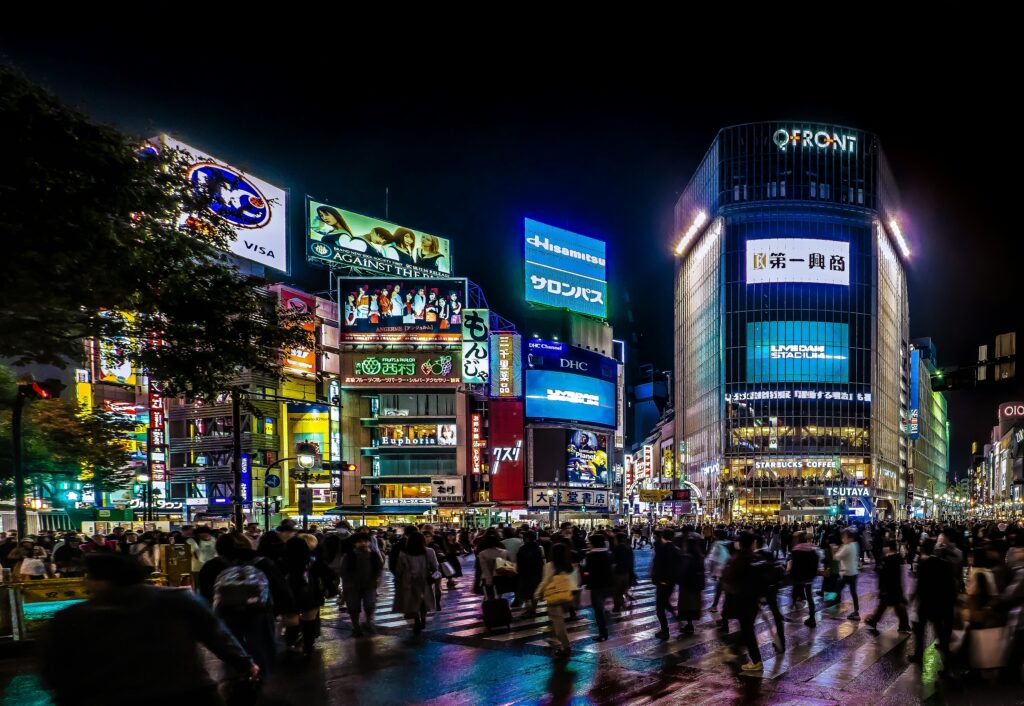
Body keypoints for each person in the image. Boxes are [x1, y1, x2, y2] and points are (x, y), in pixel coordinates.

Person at [39, 553, 257, 706]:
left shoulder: (73, 616)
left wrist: (66, 697)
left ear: (100, 581)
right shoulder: (178, 599)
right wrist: (244, 663)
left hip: (111, 697)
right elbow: (215, 635)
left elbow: (56, 665)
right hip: (187, 693)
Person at [198, 532, 291, 676]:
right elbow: (280, 588)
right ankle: (261, 678)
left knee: (233, 647)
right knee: (262, 647)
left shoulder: (212, 565)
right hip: (259, 611)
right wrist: (283, 611)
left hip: (226, 612)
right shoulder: (262, 562)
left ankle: (237, 675)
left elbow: (205, 592)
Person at [281, 535, 335, 657]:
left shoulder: (283, 561)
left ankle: (291, 643)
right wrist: (329, 589)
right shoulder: (315, 560)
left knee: (291, 620)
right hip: (312, 593)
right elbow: (328, 575)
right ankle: (308, 646)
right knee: (309, 619)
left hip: (289, 594)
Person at [909, 538, 958, 664]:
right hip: (940, 602)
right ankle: (947, 661)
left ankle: (919, 655)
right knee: (940, 632)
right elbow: (950, 584)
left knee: (920, 631)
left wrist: (913, 598)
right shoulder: (945, 564)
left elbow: (919, 585)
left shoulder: (923, 564)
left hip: (925, 602)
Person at [722, 531, 765, 672]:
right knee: (747, 628)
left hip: (741, 600)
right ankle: (734, 650)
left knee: (748, 630)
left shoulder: (738, 558)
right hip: (753, 599)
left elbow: (727, 578)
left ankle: (756, 660)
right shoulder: (756, 557)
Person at [535, 542, 578, 658]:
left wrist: (538, 593)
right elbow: (575, 581)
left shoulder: (549, 566)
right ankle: (554, 636)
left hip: (555, 596)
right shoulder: (569, 565)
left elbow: (545, 581)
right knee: (557, 619)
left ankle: (565, 646)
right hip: (568, 596)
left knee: (558, 622)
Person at [340, 532, 384, 637]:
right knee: (353, 607)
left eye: (365, 541)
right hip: (352, 586)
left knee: (370, 604)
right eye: (360, 542)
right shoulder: (349, 555)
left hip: (370, 585)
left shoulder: (373, 555)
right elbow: (343, 571)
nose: (363, 543)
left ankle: (368, 622)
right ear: (354, 543)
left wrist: (376, 580)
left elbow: (379, 569)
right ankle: (356, 627)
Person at [395, 530, 439, 633]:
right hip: (424, 581)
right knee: (423, 603)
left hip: (408, 582)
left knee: (413, 602)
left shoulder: (403, 553)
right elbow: (435, 567)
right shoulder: (429, 551)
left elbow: (399, 570)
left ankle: (416, 620)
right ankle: (423, 619)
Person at [865, 541, 911, 634]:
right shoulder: (899, 558)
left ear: (888, 548)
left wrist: (881, 588)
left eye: (885, 547)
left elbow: (884, 576)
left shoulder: (887, 560)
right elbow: (903, 574)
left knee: (888, 605)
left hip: (889, 588)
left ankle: (904, 625)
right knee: (892, 605)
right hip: (896, 587)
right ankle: (904, 625)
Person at [581, 533, 614, 642]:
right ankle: (605, 631)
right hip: (608, 584)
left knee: (598, 611)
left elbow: (587, 571)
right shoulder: (608, 554)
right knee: (604, 608)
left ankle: (603, 633)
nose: (588, 544)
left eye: (590, 542)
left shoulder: (591, 556)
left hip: (596, 586)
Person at [651, 529, 681, 640]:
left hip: (663, 581)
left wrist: (657, 579)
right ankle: (675, 616)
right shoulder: (676, 548)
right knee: (664, 602)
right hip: (671, 581)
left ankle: (665, 631)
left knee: (660, 608)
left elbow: (658, 565)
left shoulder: (663, 549)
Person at [787, 530, 821, 628]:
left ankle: (793, 605)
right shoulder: (811, 549)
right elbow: (816, 561)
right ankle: (812, 618)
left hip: (799, 577)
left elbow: (795, 565)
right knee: (810, 598)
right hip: (809, 577)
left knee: (795, 589)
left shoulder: (796, 550)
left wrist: (792, 575)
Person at [677, 526, 706, 634]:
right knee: (694, 604)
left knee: (687, 605)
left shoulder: (687, 556)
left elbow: (683, 572)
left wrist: (678, 579)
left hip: (687, 585)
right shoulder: (699, 556)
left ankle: (689, 625)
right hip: (696, 585)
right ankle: (690, 624)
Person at [830, 529, 861, 620]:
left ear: (850, 538)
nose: (843, 539)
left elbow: (836, 557)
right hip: (854, 572)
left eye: (844, 537)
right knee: (853, 592)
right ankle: (856, 611)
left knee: (836, 590)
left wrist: (833, 549)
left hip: (846, 574)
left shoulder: (846, 547)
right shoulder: (855, 544)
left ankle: (833, 611)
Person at [516, 530, 545, 617]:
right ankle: (533, 610)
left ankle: (529, 610)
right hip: (537, 573)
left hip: (525, 574)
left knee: (526, 593)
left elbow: (519, 562)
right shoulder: (539, 547)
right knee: (534, 592)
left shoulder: (522, 549)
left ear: (527, 538)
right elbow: (543, 560)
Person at [477, 532, 510, 599]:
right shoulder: (504, 552)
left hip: (486, 577)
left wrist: (488, 580)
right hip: (500, 577)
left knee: (489, 598)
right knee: (499, 596)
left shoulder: (482, 553)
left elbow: (484, 568)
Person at [707, 529, 731, 613]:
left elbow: (712, 558)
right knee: (724, 590)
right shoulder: (729, 543)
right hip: (729, 569)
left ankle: (715, 607)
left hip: (722, 570)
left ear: (717, 536)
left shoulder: (716, 544)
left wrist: (711, 572)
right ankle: (717, 606)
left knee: (719, 589)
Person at [611, 533, 636, 613]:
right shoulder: (628, 548)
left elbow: (613, 561)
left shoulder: (616, 548)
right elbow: (631, 561)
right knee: (622, 589)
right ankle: (622, 602)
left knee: (617, 591)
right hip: (627, 572)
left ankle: (617, 607)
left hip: (618, 572)